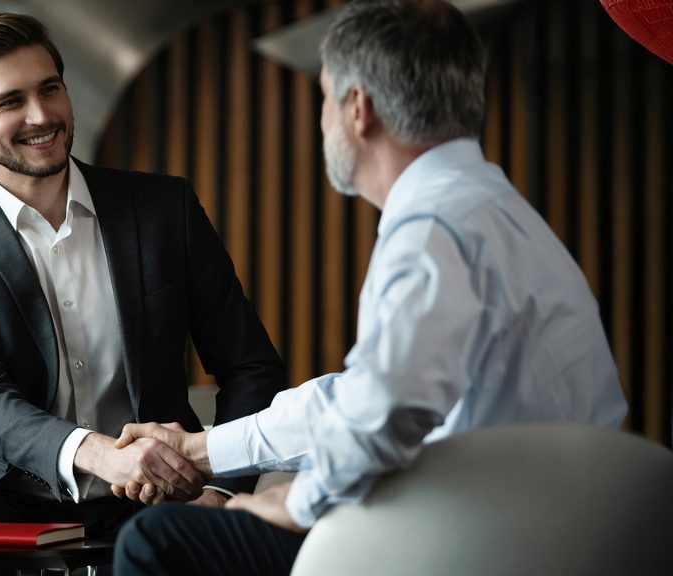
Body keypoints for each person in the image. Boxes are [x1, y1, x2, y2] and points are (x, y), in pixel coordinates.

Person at [111, 0, 628, 573]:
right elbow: (364, 398)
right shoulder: (502, 213)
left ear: (358, 108)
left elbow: (380, 422)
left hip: (472, 545)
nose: (324, 116)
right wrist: (201, 449)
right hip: (558, 531)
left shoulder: (430, 230)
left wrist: (293, 503)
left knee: (154, 540)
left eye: (326, 97)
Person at [0, 13, 284, 538]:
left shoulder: (164, 209)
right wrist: (98, 454)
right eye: (11, 102)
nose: (41, 115)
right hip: (15, 504)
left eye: (50, 89)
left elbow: (250, 366)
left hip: (169, 503)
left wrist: (220, 491)